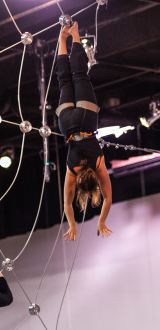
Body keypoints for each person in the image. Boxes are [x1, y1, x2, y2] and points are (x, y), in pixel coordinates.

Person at [55, 22, 112, 241]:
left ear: (95, 182)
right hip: (67, 122)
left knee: (80, 75)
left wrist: (102, 220)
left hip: (87, 120)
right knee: (63, 82)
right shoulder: (71, 173)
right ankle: (61, 39)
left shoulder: (99, 167)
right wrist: (73, 226)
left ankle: (76, 33)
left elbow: (107, 199)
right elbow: (67, 204)